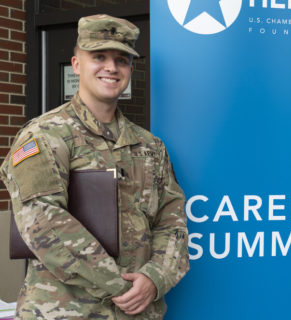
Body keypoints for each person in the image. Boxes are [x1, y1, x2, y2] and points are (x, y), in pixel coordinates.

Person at [0, 14, 189, 319]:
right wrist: (118, 287)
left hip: (138, 312)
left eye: (122, 59)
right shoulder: (45, 135)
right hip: (65, 312)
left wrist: (155, 278)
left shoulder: (150, 146)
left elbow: (172, 222)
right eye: (98, 56)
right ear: (76, 64)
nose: (111, 67)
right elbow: (41, 221)